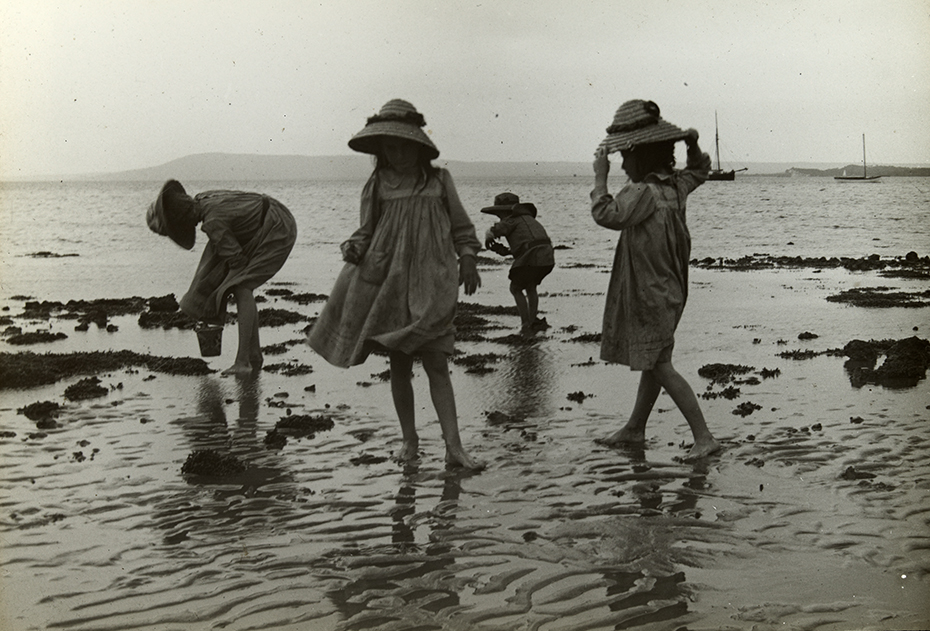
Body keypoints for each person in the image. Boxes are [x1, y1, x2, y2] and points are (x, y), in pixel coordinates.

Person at [308, 99, 486, 470]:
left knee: (437, 363)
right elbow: (366, 230)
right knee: (400, 365)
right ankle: (409, 440)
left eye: (404, 146)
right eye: (390, 147)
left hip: (433, 281)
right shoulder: (377, 184)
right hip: (388, 283)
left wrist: (468, 258)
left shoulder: (439, 181)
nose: (398, 153)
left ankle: (454, 448)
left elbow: (462, 227)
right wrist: (354, 248)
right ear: (381, 151)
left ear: (419, 146)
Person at [590, 99, 721, 461]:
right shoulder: (675, 186)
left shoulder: (641, 192)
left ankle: (704, 437)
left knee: (660, 364)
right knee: (655, 359)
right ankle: (635, 428)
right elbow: (701, 170)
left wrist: (599, 178)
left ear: (639, 156)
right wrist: (692, 144)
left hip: (648, 292)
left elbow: (606, 214)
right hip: (672, 288)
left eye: (623, 158)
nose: (620, 164)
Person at [146, 180, 297, 376]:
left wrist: (215, 296)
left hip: (277, 226)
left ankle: (243, 362)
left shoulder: (213, 221)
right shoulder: (203, 197)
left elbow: (238, 263)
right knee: (238, 284)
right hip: (269, 217)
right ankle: (254, 355)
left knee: (242, 287)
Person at [481, 192, 555, 337]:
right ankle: (533, 321)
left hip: (532, 256)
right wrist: (506, 251)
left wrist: (488, 235)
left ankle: (525, 325)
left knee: (515, 288)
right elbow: (527, 244)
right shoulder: (528, 219)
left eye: (499, 214)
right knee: (530, 286)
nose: (499, 217)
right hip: (547, 256)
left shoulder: (511, 220)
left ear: (506, 212)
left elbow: (496, 230)